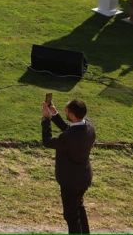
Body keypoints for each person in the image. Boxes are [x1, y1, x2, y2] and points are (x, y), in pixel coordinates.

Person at [41, 97, 95, 234]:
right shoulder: (89, 126)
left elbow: (47, 141)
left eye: (67, 112)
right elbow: (70, 130)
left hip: (70, 182)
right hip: (83, 177)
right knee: (78, 208)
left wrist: (46, 119)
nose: (65, 112)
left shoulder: (68, 138)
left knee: (70, 216)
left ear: (71, 114)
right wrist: (55, 115)